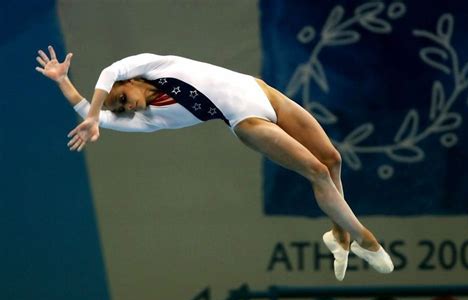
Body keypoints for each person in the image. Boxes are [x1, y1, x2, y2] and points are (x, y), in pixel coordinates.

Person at [35, 45, 394, 281]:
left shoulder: (152, 66)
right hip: (247, 122)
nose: (124, 107)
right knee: (315, 171)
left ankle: (340, 236)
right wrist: (72, 92)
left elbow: (108, 73)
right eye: (120, 110)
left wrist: (92, 105)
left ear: (129, 83)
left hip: (264, 92)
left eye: (121, 99)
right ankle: (366, 239)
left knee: (332, 159)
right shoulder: (152, 118)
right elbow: (88, 111)